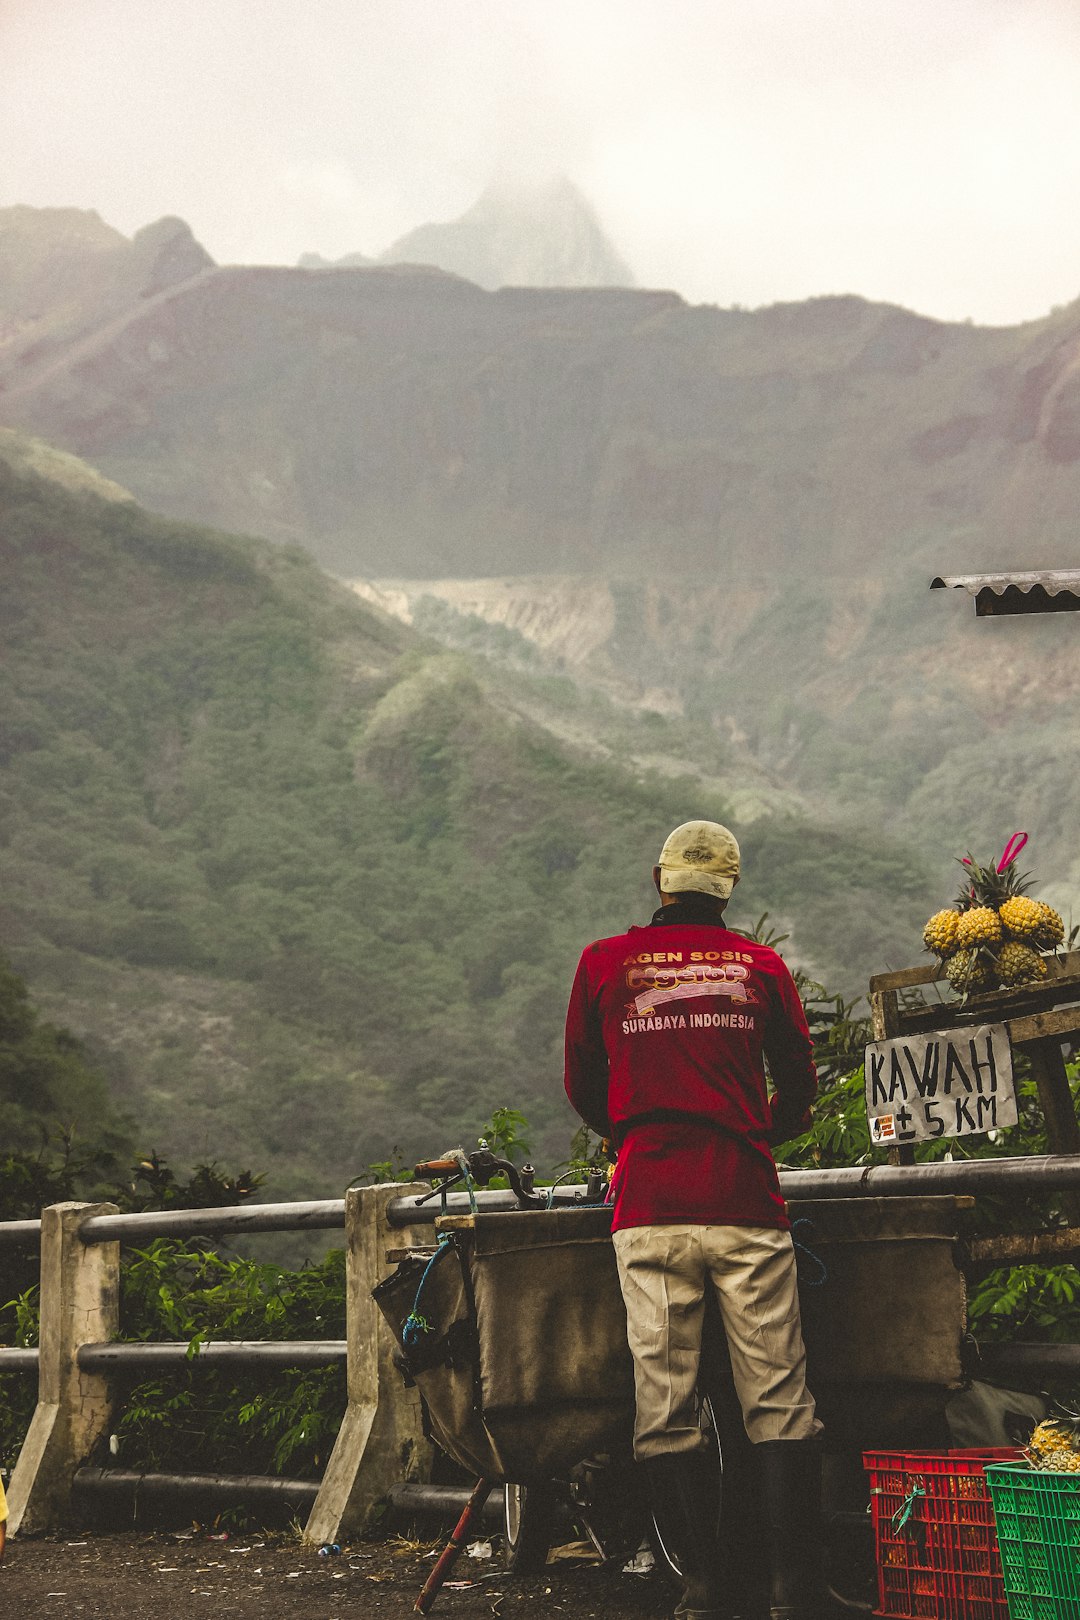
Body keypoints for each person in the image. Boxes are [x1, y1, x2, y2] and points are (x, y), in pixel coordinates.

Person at [564, 820, 822, 1620]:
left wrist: (635, 1135)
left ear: (659, 880)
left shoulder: (605, 963)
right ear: (730, 889)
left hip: (650, 1210)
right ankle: (788, 1592)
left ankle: (703, 1587)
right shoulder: (763, 965)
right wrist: (757, 1131)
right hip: (747, 1202)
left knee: (664, 1396)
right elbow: (802, 1082)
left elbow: (581, 1080)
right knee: (777, 1397)